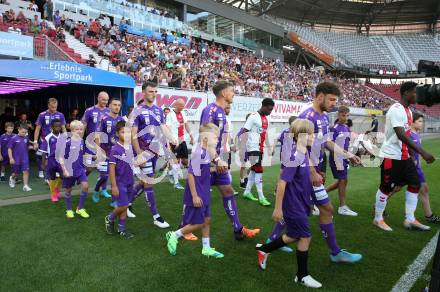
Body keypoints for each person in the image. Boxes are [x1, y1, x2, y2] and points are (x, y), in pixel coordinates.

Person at [298, 81, 362, 263]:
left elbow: (327, 142)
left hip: (313, 170)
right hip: (302, 172)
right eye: (331, 99)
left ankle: (335, 252)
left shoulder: (324, 117)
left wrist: (348, 154)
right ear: (320, 96)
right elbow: (300, 148)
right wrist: (311, 172)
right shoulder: (306, 116)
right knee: (300, 211)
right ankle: (270, 243)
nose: (334, 103)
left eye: (335, 100)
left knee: (322, 208)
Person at [255, 119, 322, 289]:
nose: (314, 136)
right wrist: (278, 209)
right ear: (301, 135)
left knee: (294, 235)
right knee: (305, 236)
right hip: (293, 205)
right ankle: (302, 275)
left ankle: (264, 249)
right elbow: (282, 183)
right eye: (311, 133)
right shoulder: (295, 156)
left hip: (301, 202)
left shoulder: (303, 152)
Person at [200, 80, 260, 240]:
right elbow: (205, 139)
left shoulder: (222, 112)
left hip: (217, 161)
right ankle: (183, 230)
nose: (234, 93)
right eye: (232, 91)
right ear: (223, 93)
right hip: (206, 162)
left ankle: (238, 229)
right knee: (198, 198)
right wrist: (216, 159)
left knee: (228, 191)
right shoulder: (210, 110)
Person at [373, 81, 435, 232]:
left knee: (415, 184)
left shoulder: (407, 110)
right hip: (391, 156)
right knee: (386, 187)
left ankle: (410, 219)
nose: (416, 95)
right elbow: (401, 134)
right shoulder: (396, 109)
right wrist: (422, 152)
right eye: (414, 92)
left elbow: (406, 134)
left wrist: (413, 154)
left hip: (404, 156)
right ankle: (378, 218)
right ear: (406, 93)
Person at [166, 123, 225, 258]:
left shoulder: (205, 153)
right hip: (197, 194)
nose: (217, 140)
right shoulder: (199, 153)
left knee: (207, 220)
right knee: (198, 223)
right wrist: (194, 196)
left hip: (204, 192)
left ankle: (206, 248)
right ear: (205, 139)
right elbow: (191, 175)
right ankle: (174, 235)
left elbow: (202, 171)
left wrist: (216, 168)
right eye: (215, 137)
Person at [129, 81, 175, 229]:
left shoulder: (159, 110)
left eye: (155, 92)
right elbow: (133, 134)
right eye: (150, 91)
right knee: (149, 183)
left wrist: (168, 149)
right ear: (143, 92)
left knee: (145, 182)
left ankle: (127, 203)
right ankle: (156, 216)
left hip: (155, 151)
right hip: (143, 152)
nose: (154, 94)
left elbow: (162, 131)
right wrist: (139, 154)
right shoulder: (137, 111)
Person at [105, 121, 136, 239]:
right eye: (123, 132)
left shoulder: (130, 147)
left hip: (129, 181)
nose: (126, 134)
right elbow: (111, 168)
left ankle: (121, 229)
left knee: (125, 205)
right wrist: (113, 185)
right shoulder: (115, 149)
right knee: (123, 205)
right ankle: (110, 218)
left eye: (128, 132)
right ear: (118, 134)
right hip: (120, 182)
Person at [242, 98, 275, 206]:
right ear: (263, 106)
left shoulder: (266, 119)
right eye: (269, 109)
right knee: (259, 170)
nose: (270, 112)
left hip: (260, 148)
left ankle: (247, 192)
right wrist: (239, 145)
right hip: (252, 147)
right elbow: (244, 130)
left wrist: (270, 146)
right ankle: (261, 197)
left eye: (271, 110)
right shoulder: (253, 116)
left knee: (253, 170)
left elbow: (264, 134)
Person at [325, 106, 357, 216]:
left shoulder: (346, 127)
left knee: (342, 181)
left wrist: (349, 156)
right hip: (337, 158)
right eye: (343, 115)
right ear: (338, 115)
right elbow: (330, 146)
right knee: (342, 180)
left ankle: (322, 193)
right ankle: (342, 207)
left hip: (344, 158)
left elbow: (346, 145)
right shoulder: (335, 128)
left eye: (347, 115)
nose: (346, 118)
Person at [409, 113, 440, 223]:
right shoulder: (408, 135)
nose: (422, 124)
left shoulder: (417, 135)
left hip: (417, 168)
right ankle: (379, 205)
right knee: (395, 188)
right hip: (409, 169)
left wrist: (421, 162)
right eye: (420, 121)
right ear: (412, 122)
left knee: (424, 190)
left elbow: (418, 152)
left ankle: (429, 215)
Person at [92, 98, 123, 204]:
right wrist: (98, 151)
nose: (117, 107)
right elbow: (97, 135)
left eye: (119, 105)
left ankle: (114, 201)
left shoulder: (121, 120)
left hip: (117, 153)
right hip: (104, 152)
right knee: (104, 176)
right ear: (109, 106)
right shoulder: (103, 118)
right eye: (114, 104)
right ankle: (96, 190)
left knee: (117, 177)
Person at [59, 120, 90, 219]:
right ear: (72, 131)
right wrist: (64, 170)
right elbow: (61, 157)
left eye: (81, 129)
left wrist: (95, 157)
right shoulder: (67, 143)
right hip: (69, 170)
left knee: (85, 186)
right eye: (77, 129)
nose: (80, 131)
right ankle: (69, 209)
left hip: (80, 169)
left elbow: (84, 154)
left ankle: (80, 208)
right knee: (68, 190)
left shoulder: (82, 141)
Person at [165, 98, 195, 189]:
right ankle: (176, 183)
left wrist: (191, 137)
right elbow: (168, 128)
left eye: (183, 105)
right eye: (181, 105)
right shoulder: (170, 115)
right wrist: (172, 140)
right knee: (176, 162)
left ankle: (170, 173)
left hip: (182, 140)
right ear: (176, 105)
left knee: (185, 161)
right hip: (174, 141)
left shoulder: (183, 113)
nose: (183, 107)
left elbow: (186, 125)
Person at [34, 98, 66, 179]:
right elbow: (37, 129)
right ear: (48, 105)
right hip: (44, 140)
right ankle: (41, 170)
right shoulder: (42, 115)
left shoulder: (60, 115)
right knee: (42, 157)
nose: (54, 109)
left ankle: (51, 174)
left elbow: (63, 127)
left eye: (55, 107)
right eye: (52, 107)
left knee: (55, 157)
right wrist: (35, 141)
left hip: (56, 140)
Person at [81, 91, 110, 172]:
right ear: (98, 98)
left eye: (107, 100)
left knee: (103, 170)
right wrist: (79, 141)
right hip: (90, 143)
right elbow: (83, 126)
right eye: (103, 99)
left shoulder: (109, 111)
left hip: (104, 144)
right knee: (87, 168)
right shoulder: (89, 110)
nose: (105, 102)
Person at [40, 119, 62, 202]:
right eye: (56, 126)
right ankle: (53, 194)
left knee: (63, 176)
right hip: (51, 160)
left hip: (60, 160)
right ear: (52, 127)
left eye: (59, 126)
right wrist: (43, 163)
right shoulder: (48, 137)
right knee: (52, 178)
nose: (58, 128)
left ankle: (56, 190)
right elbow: (44, 152)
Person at [8, 123, 31, 192]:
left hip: (25, 158)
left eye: (25, 132)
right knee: (15, 173)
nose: (24, 133)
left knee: (26, 171)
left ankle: (25, 186)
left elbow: (27, 147)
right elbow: (9, 149)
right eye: (22, 132)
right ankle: (12, 178)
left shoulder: (26, 138)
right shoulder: (13, 138)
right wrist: (11, 158)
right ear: (18, 130)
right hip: (16, 159)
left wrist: (32, 147)